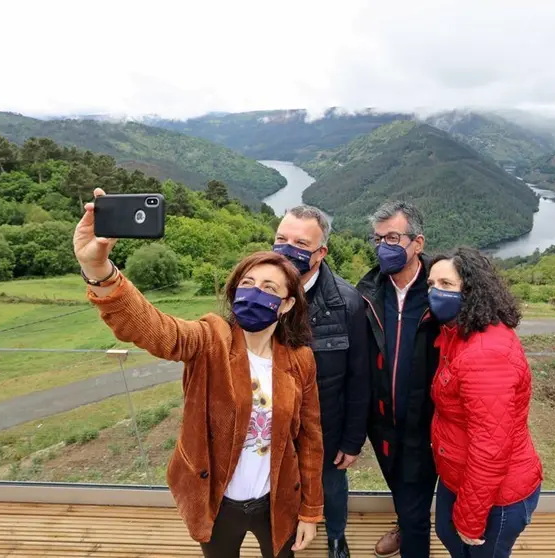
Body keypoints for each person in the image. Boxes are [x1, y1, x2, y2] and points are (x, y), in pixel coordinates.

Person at [74, 188, 324, 558]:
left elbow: (310, 440)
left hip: (277, 499)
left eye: (269, 288)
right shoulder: (211, 339)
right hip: (216, 502)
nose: (255, 293)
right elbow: (154, 329)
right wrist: (99, 271)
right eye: (247, 284)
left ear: (286, 305)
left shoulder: (300, 360)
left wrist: (311, 511)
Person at [427, 247, 543, 558]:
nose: (435, 292)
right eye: (431, 284)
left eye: (446, 284)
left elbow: (490, 447)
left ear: (472, 290)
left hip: (496, 496)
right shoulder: (459, 332)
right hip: (464, 477)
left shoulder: (485, 354)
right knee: (448, 535)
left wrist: (470, 518)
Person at [273, 205, 370, 558]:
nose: (287, 249)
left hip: (326, 425)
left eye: (301, 243)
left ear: (321, 252)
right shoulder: (258, 291)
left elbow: (360, 378)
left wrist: (353, 439)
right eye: (281, 239)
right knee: (279, 483)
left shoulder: (347, 303)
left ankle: (336, 536)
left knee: (331, 485)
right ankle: (284, 535)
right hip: (274, 422)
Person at [356, 201, 439, 558]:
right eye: (378, 239)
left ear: (417, 243)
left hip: (428, 423)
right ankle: (406, 522)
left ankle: (412, 528)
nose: (383, 247)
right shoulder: (367, 293)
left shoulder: (442, 292)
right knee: (399, 485)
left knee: (415, 498)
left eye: (392, 238)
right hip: (382, 423)